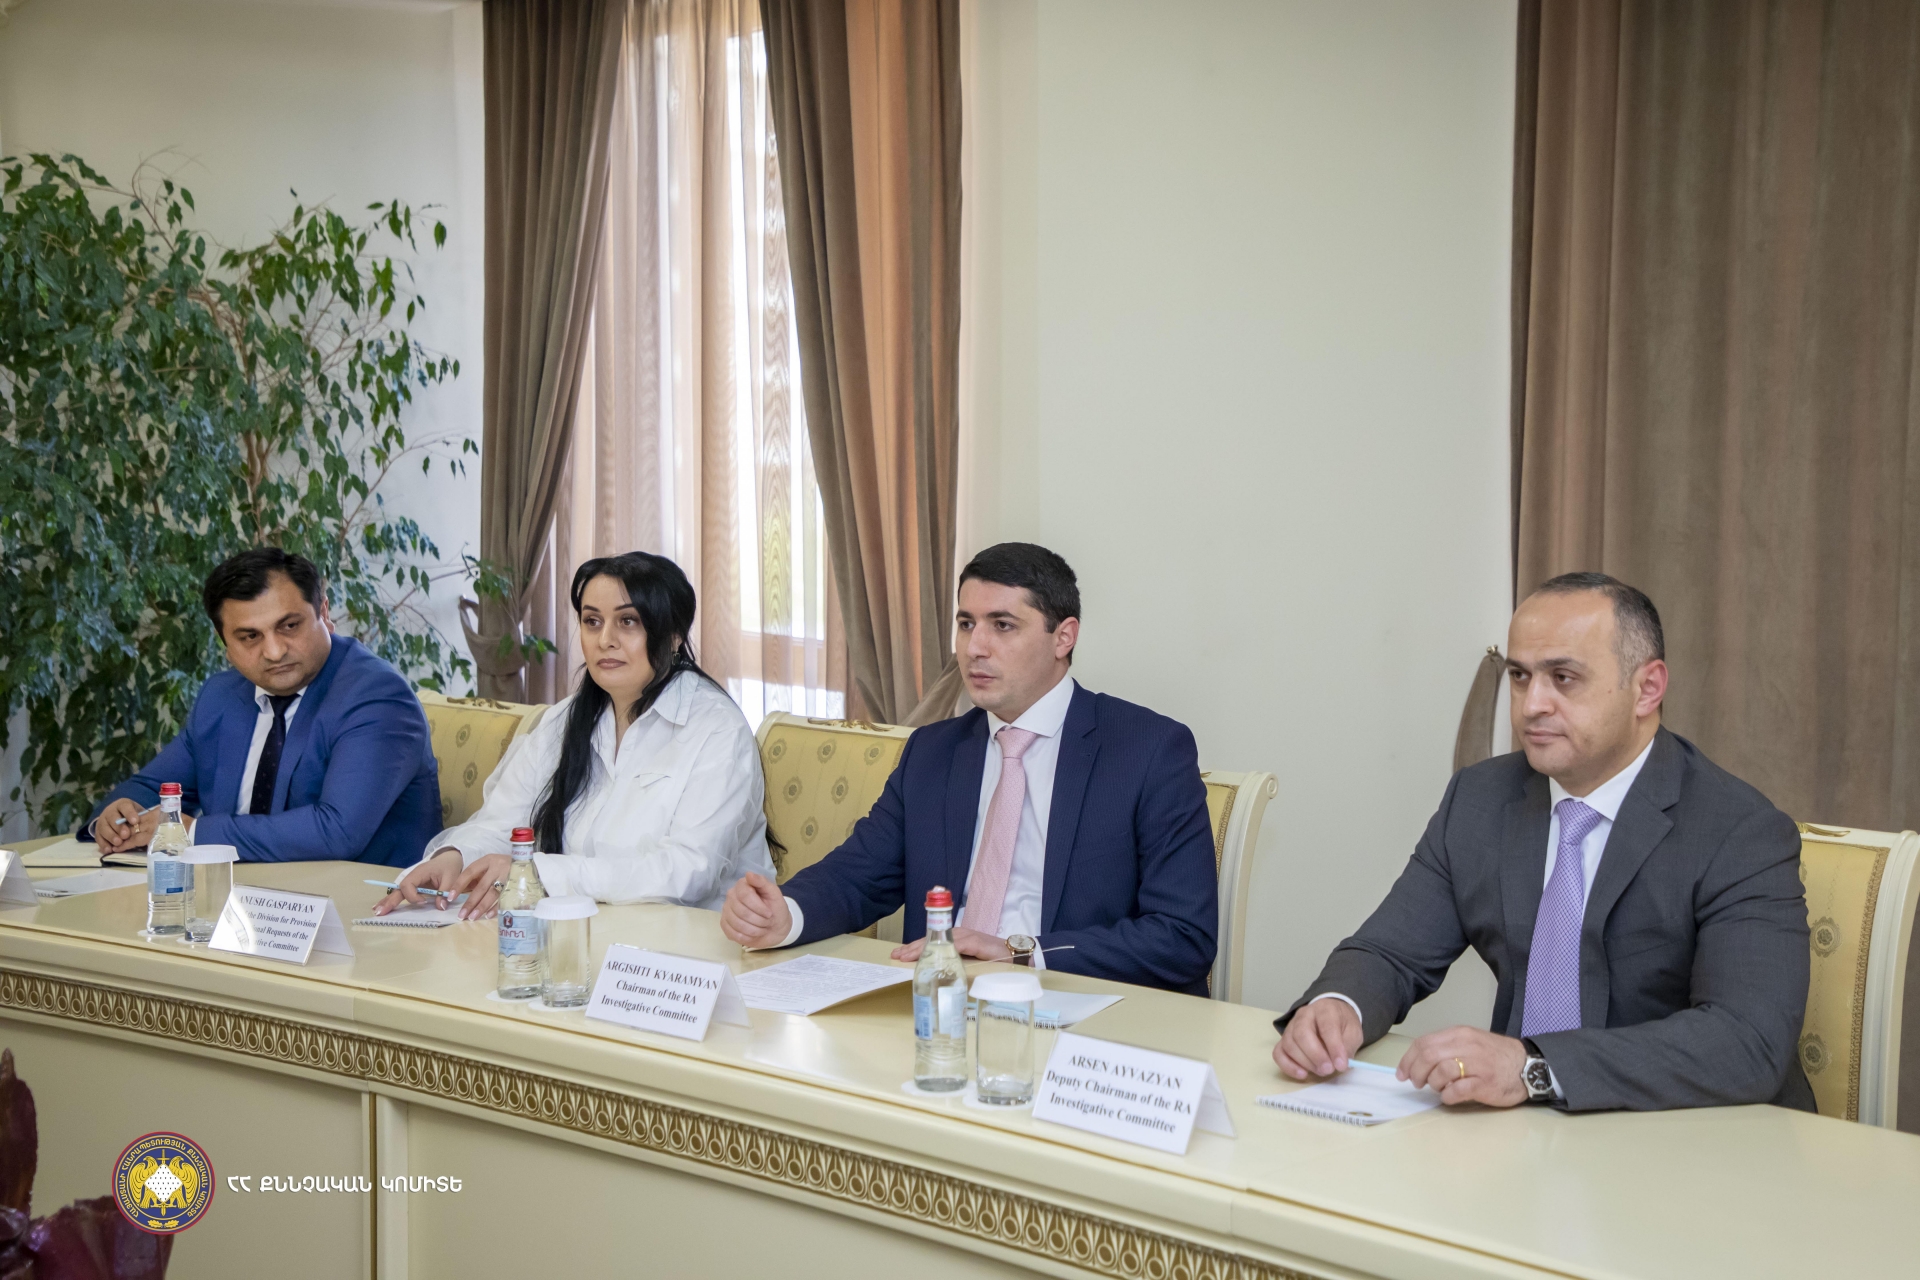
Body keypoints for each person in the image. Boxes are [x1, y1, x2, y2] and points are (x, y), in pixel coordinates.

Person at [1274, 572, 1813, 1112]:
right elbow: (1390, 953)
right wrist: (1337, 1006)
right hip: (1519, 1135)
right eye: (1520, 675)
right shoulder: (1479, 799)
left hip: (1691, 1138)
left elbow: (1747, 1042)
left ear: (1647, 688)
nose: (1532, 704)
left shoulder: (1739, 831)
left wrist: (1535, 1067)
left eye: (1563, 677)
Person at [719, 542, 1218, 994]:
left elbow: (1182, 936)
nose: (975, 647)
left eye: (1003, 625)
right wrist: (785, 914)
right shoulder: (933, 750)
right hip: (939, 1008)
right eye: (965, 624)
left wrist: (1021, 952)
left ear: (1063, 637)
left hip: (1075, 1009)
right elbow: (860, 873)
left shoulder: (1147, 750)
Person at [377, 552, 772, 918]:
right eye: (592, 621)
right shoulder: (563, 720)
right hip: (580, 930)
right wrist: (455, 858)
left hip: (688, 948)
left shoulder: (718, 730)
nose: (605, 640)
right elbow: (503, 823)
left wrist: (539, 873)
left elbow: (687, 871)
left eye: (628, 621)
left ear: (674, 635)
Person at [83, 547, 440, 867]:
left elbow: (337, 830)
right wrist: (119, 817)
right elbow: (153, 788)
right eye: (250, 636)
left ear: (323, 612)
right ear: (225, 642)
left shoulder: (377, 696)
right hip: (236, 900)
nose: (274, 651)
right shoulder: (221, 696)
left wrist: (194, 833)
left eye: (289, 626)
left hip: (360, 907)